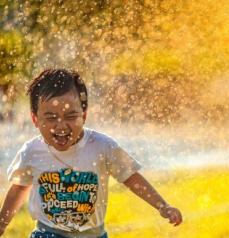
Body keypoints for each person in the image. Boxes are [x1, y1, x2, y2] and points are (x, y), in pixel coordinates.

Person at [0, 69, 182, 238]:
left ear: (84, 115)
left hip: (93, 234)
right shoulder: (32, 151)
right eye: (50, 117)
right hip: (48, 233)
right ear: (35, 119)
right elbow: (19, 188)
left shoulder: (102, 146)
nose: (61, 126)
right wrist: (2, 223)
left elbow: (130, 177)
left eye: (71, 116)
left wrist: (162, 206)